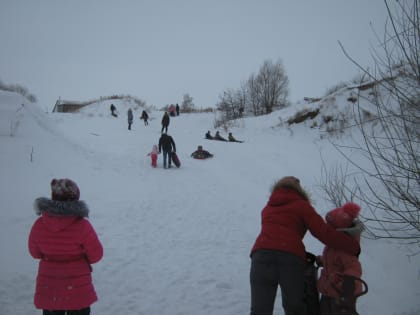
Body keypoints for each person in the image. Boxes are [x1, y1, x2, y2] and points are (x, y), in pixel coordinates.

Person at [250, 176, 362, 315]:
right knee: (295, 308)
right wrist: (351, 246)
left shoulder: (267, 208)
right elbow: (323, 232)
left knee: (260, 309)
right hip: (290, 259)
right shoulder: (302, 206)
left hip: (261, 256)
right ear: (298, 190)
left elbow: (275, 238)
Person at [28, 178, 103, 315]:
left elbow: (34, 253)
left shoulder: (39, 224)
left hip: (50, 286)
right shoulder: (83, 226)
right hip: (77, 286)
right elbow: (96, 255)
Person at [317, 202, 364, 315]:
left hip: (341, 294)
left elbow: (353, 267)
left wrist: (347, 283)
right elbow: (334, 261)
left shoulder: (346, 247)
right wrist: (322, 260)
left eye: (330, 228)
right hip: (328, 290)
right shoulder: (333, 245)